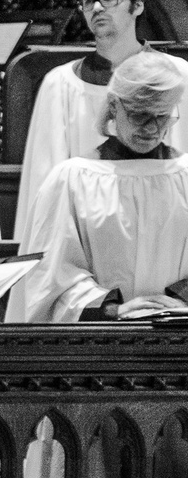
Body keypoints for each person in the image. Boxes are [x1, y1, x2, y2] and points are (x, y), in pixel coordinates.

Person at [13, 0, 188, 246]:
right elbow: (42, 186)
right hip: (90, 241)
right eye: (87, 1)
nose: (96, 8)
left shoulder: (179, 76)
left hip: (169, 236)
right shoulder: (62, 84)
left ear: (138, 5)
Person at [15, 52, 188, 323]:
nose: (152, 129)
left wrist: (177, 301)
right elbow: (50, 274)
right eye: (139, 115)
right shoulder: (72, 179)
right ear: (114, 106)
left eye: (163, 116)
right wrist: (110, 309)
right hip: (98, 342)